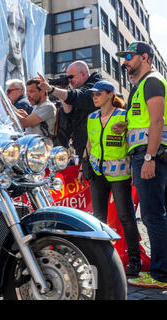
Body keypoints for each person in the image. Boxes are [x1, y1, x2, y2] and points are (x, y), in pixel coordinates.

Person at [112, 42, 167, 288]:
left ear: (144, 57)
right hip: (150, 153)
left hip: (150, 155)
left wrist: (149, 158)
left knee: (153, 216)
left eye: (129, 57)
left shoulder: (151, 82)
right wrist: (126, 126)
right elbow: (146, 120)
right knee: (158, 215)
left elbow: (157, 121)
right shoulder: (142, 86)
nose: (125, 62)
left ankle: (160, 275)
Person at [78, 80, 141, 277]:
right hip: (97, 173)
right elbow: (89, 142)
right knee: (98, 219)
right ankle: (101, 260)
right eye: (92, 94)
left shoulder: (124, 116)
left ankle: (134, 261)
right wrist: (83, 166)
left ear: (110, 95)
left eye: (98, 93)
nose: (94, 96)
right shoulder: (92, 117)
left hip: (120, 173)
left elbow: (133, 141)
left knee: (126, 218)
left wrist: (134, 170)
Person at [37, 61, 102, 159]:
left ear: (83, 74)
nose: (69, 81)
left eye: (71, 77)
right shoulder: (78, 90)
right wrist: (64, 90)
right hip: (83, 147)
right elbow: (69, 114)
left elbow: (78, 96)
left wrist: (51, 89)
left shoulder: (97, 85)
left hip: (98, 147)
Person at [0, 3, 27, 86]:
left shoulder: (32, 74)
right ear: (7, 32)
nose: (16, 36)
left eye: (21, 30)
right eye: (13, 27)